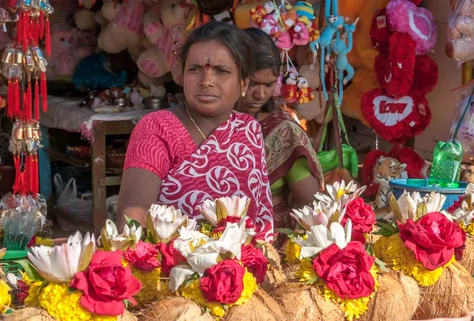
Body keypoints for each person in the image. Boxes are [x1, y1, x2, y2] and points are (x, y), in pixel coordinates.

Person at [119, 21, 274, 241]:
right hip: (171, 269)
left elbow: (259, 217)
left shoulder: (248, 130)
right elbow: (133, 215)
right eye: (195, 69)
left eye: (221, 71)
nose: (206, 81)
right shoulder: (158, 128)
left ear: (243, 83)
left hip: (242, 266)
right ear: (182, 76)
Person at [238, 28, 323, 230]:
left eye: (268, 85)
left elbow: (308, 203)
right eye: (252, 84)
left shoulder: (283, 131)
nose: (260, 94)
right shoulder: (206, 123)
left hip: (269, 239)